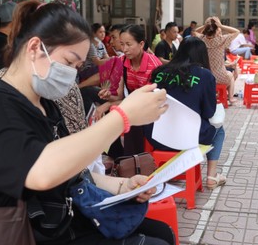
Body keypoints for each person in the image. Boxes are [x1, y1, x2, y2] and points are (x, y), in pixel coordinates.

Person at [0, 1, 176, 245]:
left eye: (77, 67)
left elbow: (73, 171)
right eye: (69, 62)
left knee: (161, 234)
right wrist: (123, 117)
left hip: (58, 222)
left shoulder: (43, 102)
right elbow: (41, 173)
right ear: (35, 48)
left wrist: (123, 186)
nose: (73, 74)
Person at [145, 37, 227, 189]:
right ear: (202, 55)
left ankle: (167, 171)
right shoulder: (205, 75)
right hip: (188, 138)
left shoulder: (159, 72)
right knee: (219, 129)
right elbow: (209, 112)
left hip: (156, 136)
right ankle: (212, 176)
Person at [99, 24, 162, 156]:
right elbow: (119, 96)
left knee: (130, 116)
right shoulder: (121, 61)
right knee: (112, 112)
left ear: (141, 44)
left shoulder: (153, 65)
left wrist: (109, 104)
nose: (124, 49)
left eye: (128, 44)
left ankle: (133, 159)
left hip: (153, 106)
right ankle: (118, 156)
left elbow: (149, 100)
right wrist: (109, 95)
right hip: (134, 104)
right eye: (122, 44)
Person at [194, 16, 240, 105]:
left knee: (229, 73)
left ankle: (220, 95)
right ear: (217, 29)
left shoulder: (202, 39)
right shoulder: (221, 40)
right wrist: (221, 26)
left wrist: (204, 26)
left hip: (206, 76)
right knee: (231, 75)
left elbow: (195, 32)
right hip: (221, 77)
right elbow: (236, 31)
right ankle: (230, 97)